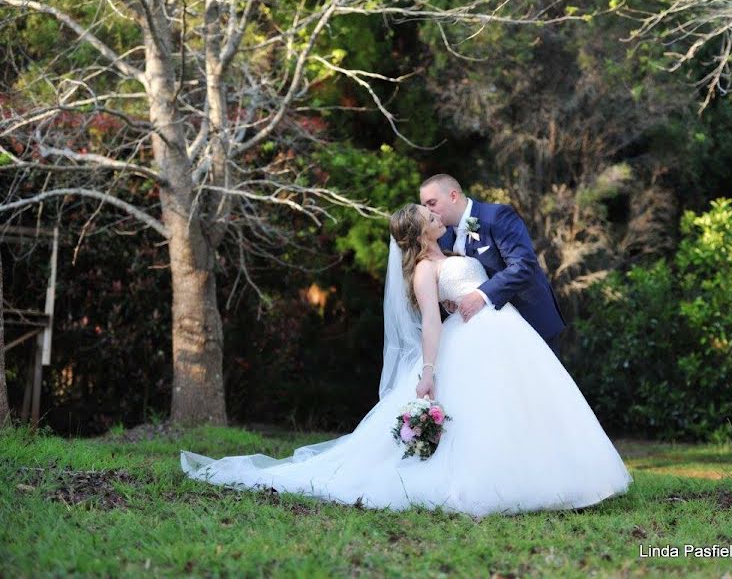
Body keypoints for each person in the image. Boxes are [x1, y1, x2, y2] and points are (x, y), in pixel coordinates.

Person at [181, 204, 631, 517]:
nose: (436, 215)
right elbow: (431, 324)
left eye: (434, 211)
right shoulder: (423, 271)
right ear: (418, 233)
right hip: (470, 341)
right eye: (428, 216)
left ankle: (553, 475)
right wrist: (428, 373)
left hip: (505, 330)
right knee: (484, 413)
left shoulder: (454, 248)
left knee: (525, 404)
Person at [419, 174, 566, 356]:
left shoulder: (496, 216)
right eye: (424, 206)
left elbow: (523, 264)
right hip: (487, 335)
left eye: (431, 203)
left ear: (453, 196)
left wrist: (481, 295)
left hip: (529, 319)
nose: (428, 211)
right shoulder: (444, 236)